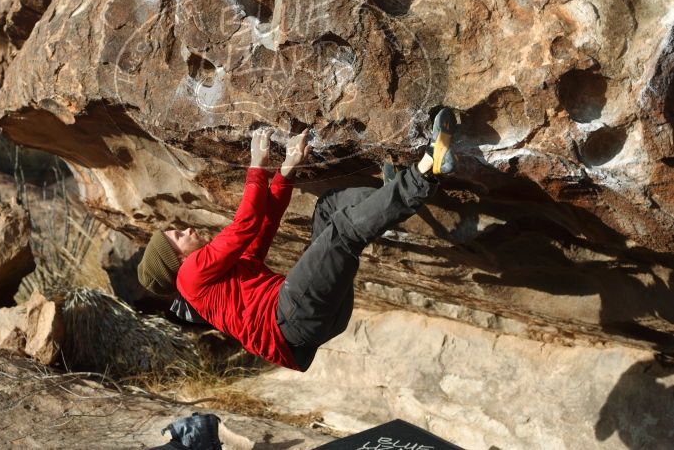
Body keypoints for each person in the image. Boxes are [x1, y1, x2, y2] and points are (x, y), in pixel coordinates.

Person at [138, 109, 457, 371]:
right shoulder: (191, 276)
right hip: (291, 318)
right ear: (176, 261)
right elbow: (245, 225)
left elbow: (263, 225)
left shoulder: (217, 276)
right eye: (179, 237)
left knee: (329, 207)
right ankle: (424, 175)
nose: (188, 231)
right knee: (343, 232)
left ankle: (390, 195)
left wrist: (286, 171)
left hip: (308, 318)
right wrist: (256, 166)